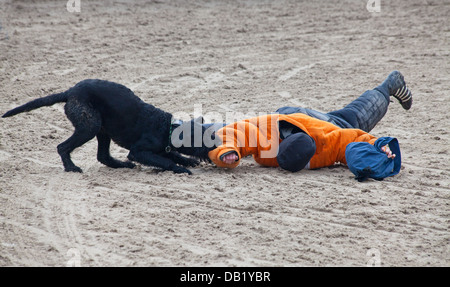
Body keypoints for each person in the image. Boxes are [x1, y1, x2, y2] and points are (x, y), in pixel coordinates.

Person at [207, 71, 412, 181]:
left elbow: (352, 140)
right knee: (354, 117)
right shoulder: (272, 138)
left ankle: (389, 86)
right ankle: (388, 86)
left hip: (303, 120)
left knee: (355, 117)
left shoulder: (321, 144)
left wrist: (227, 151)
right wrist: (378, 147)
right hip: (308, 120)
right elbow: (352, 141)